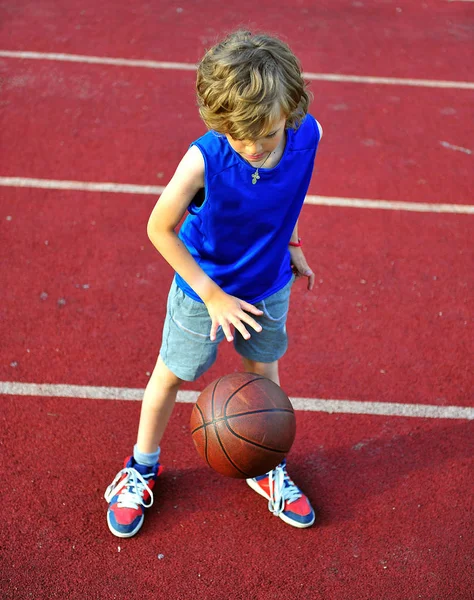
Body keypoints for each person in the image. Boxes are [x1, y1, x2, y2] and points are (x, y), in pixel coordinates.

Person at [104, 29, 323, 538]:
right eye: (238, 136)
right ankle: (142, 465)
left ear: (290, 112)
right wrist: (210, 293)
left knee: (263, 377)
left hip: (268, 284)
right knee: (170, 377)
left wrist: (292, 244)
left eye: (265, 136)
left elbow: (285, 198)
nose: (251, 148)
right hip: (203, 290)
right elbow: (158, 227)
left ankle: (267, 464)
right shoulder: (205, 158)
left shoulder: (309, 135)